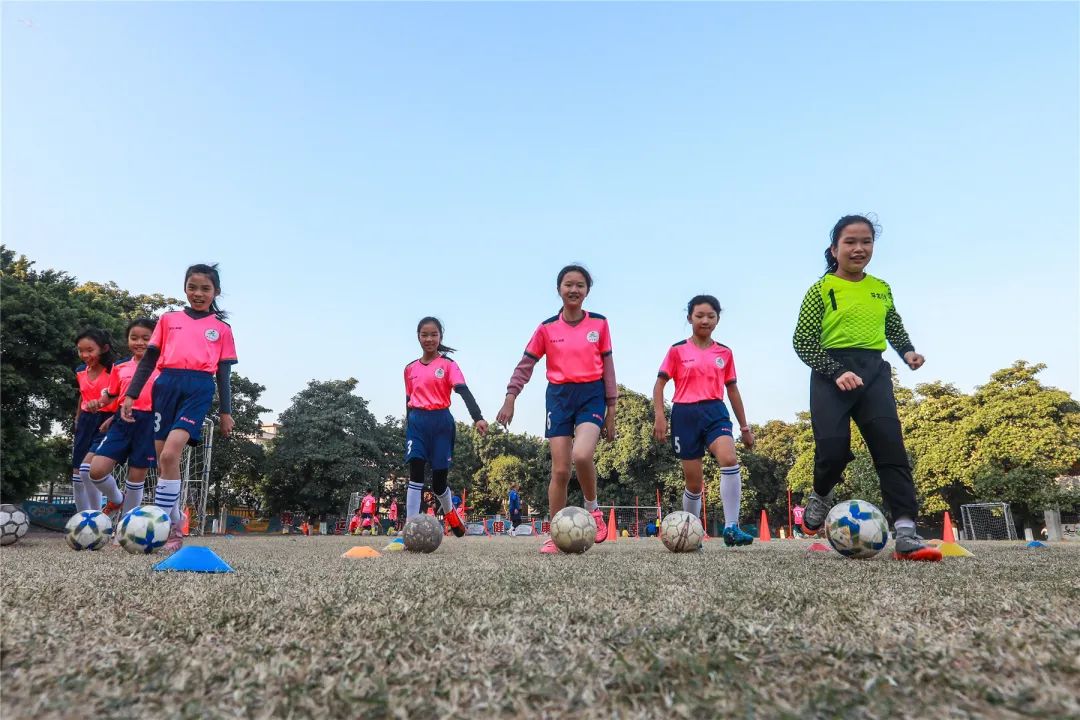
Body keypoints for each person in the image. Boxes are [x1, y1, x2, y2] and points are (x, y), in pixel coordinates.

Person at [792, 214, 941, 561]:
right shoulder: (821, 290)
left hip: (873, 374)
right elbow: (803, 342)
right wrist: (835, 370)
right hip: (831, 375)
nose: (859, 249)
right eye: (850, 242)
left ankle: (905, 532)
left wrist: (907, 352)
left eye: (866, 242)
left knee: (891, 450)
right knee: (832, 450)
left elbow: (893, 325)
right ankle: (821, 494)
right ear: (834, 249)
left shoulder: (881, 288)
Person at [497, 265, 616, 554]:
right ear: (559, 289)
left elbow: (609, 368)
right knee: (560, 470)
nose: (574, 290)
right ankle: (556, 532)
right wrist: (511, 396)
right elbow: (526, 364)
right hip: (559, 398)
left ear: (587, 290)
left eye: (580, 285)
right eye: (568, 285)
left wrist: (611, 407)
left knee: (582, 454)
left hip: (591, 395)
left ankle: (593, 510)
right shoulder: (547, 328)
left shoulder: (599, 324)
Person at [122, 263, 237, 552]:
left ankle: (166, 529)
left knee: (172, 453)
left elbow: (224, 374)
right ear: (185, 288)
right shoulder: (167, 319)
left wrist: (226, 412)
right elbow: (148, 361)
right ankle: (175, 514)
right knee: (164, 461)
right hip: (166, 385)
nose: (198, 293)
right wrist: (131, 395)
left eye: (205, 288)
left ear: (216, 292)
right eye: (192, 287)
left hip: (198, 388)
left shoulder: (221, 329)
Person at [653, 295, 755, 547]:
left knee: (729, 459)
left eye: (711, 316)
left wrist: (744, 427)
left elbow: (732, 390)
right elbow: (659, 385)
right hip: (684, 414)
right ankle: (691, 530)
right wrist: (659, 415)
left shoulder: (725, 352)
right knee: (694, 483)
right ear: (690, 318)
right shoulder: (677, 350)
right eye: (699, 315)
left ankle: (732, 527)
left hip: (715, 411)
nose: (705, 320)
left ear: (718, 319)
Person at [404, 317, 488, 537]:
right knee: (416, 472)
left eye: (434, 334)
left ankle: (451, 514)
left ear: (440, 336)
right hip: (417, 423)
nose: (429, 339)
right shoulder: (409, 368)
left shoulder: (448, 365)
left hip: (441, 424)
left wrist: (477, 417)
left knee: (439, 482)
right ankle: (409, 530)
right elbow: (408, 399)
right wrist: (408, 425)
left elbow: (463, 391)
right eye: (424, 335)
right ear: (418, 337)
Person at [89, 318, 160, 522]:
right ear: (127, 340)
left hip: (149, 424)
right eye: (134, 337)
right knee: (96, 470)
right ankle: (116, 499)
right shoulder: (120, 367)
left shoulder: (163, 367)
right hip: (122, 422)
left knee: (136, 477)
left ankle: (126, 528)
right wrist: (100, 405)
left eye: (146, 338)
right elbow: (112, 395)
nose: (140, 342)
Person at [71, 329, 117, 513]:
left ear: (104, 348)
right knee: (76, 475)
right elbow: (82, 396)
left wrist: (114, 415)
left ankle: (97, 516)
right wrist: (77, 418)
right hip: (85, 422)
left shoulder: (115, 370)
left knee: (87, 470)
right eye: (80, 350)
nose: (84, 355)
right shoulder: (80, 371)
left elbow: (121, 396)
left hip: (107, 422)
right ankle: (82, 519)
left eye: (90, 350)